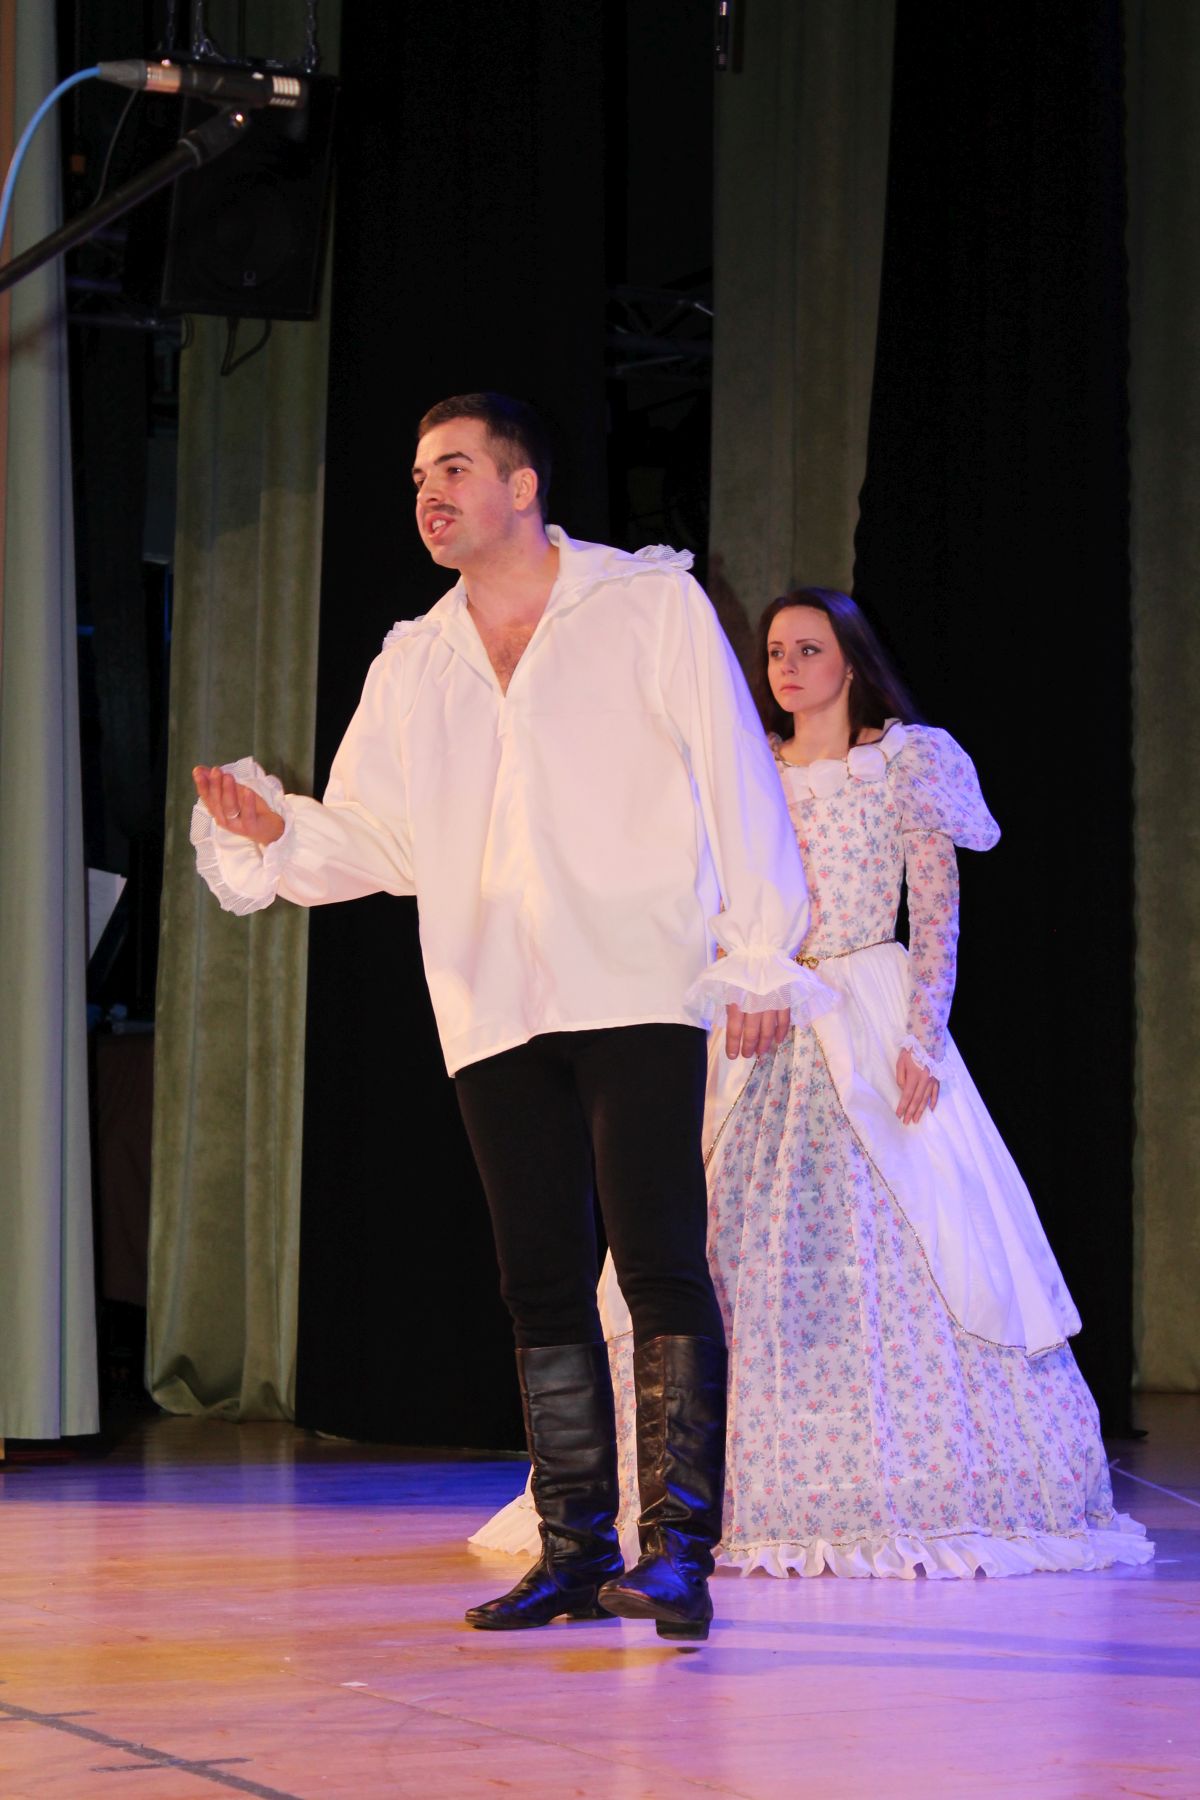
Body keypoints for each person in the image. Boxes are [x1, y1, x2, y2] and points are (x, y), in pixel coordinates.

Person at [190, 395, 836, 1640]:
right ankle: (575, 1545)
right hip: (491, 992)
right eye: (416, 478)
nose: (428, 494)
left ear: (523, 484)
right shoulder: (414, 658)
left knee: (658, 1257)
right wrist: (280, 832)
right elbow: (380, 837)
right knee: (538, 1278)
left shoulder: (645, 605)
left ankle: (679, 1551)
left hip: (637, 976)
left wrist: (759, 951)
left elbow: (733, 772)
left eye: (452, 468)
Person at [471, 587, 1153, 1580]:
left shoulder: (904, 762)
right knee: (711, 1246)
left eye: (808, 649)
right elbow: (708, 899)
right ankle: (684, 1498)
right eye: (776, 652)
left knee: (912, 1246)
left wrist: (922, 1040)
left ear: (850, 660)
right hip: (761, 1016)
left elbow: (938, 913)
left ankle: (913, 1486)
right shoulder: (747, 771)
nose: (787, 668)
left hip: (866, 1011)